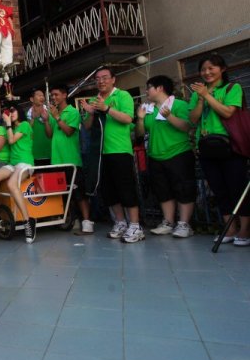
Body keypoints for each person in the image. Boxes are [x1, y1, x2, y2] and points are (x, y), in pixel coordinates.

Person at [188, 54, 249, 246]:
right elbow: (193, 120)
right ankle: (229, 228)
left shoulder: (232, 88)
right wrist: (200, 99)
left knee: (237, 189)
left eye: (211, 68)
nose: (206, 72)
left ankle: (245, 230)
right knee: (218, 189)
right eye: (203, 69)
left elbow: (228, 112)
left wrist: (207, 96)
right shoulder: (198, 93)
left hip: (230, 147)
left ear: (222, 69)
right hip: (207, 148)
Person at [82, 68, 142, 243]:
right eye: (97, 79)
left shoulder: (123, 96)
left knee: (126, 188)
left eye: (105, 78)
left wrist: (107, 108)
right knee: (109, 190)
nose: (101, 81)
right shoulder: (95, 100)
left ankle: (135, 226)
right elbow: (86, 126)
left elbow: (128, 119)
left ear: (113, 80)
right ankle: (121, 222)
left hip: (120, 150)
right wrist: (91, 114)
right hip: (100, 152)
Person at [135, 75, 195, 238]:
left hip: (178, 153)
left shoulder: (179, 104)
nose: (146, 91)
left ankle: (184, 224)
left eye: (149, 87)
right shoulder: (148, 108)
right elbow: (140, 134)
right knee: (163, 191)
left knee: (183, 189)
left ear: (160, 88)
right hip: (155, 155)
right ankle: (168, 222)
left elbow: (186, 127)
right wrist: (140, 119)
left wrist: (169, 116)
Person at [0, 106, 36, 243]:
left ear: (20, 112)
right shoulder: (10, 128)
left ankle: (28, 221)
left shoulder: (24, 125)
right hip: (13, 163)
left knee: (12, 184)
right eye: (8, 112)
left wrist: (8, 124)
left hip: (25, 163)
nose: (10, 114)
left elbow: (11, 141)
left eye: (13, 111)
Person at [47, 84, 94, 234]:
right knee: (63, 193)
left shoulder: (72, 112)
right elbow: (49, 134)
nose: (53, 98)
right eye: (52, 95)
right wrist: (47, 119)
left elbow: (68, 131)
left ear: (64, 95)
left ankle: (87, 222)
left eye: (56, 94)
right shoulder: (53, 113)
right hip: (56, 160)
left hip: (71, 160)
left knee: (79, 193)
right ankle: (70, 220)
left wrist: (56, 117)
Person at [28, 88, 52, 166]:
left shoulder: (50, 113)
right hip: (32, 155)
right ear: (32, 99)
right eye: (39, 95)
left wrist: (46, 121)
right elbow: (27, 135)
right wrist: (32, 119)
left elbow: (50, 135)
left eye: (42, 95)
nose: (42, 97)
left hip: (49, 153)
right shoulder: (27, 115)